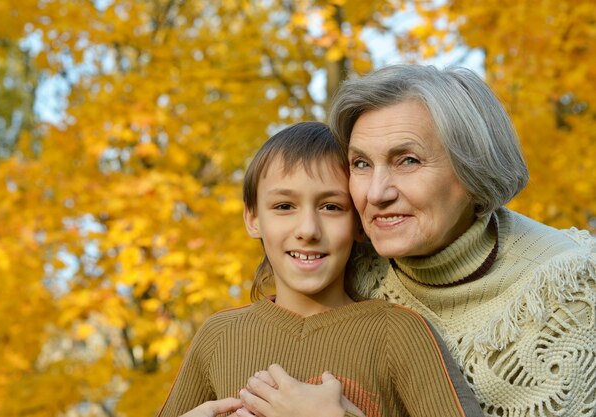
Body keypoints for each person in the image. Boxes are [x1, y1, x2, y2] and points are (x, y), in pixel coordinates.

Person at [238, 65, 596, 417]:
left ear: (473, 170)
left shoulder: (571, 292)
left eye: (407, 161)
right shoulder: (348, 261)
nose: (376, 193)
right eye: (361, 163)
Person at [156, 121, 484, 417]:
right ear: (253, 218)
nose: (308, 229)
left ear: (358, 222)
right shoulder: (218, 336)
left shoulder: (398, 333)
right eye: (284, 206)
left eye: (331, 207)